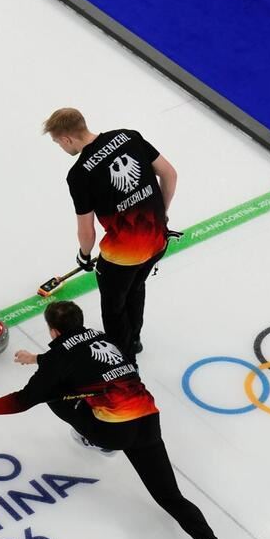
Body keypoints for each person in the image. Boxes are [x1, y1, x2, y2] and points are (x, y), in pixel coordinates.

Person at [0, 300, 253, 539]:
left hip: (110, 432)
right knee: (170, 496)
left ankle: (92, 439)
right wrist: (38, 359)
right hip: (148, 419)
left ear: (52, 332)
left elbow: (24, 399)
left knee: (51, 395)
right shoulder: (104, 338)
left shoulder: (58, 357)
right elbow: (80, 359)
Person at [43, 108, 178, 356]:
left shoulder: (79, 174)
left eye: (57, 143)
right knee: (136, 288)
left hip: (121, 257)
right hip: (158, 239)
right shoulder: (129, 136)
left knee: (114, 308)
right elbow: (169, 174)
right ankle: (134, 340)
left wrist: (84, 256)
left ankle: (122, 358)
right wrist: (163, 214)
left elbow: (87, 231)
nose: (61, 148)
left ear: (66, 139)